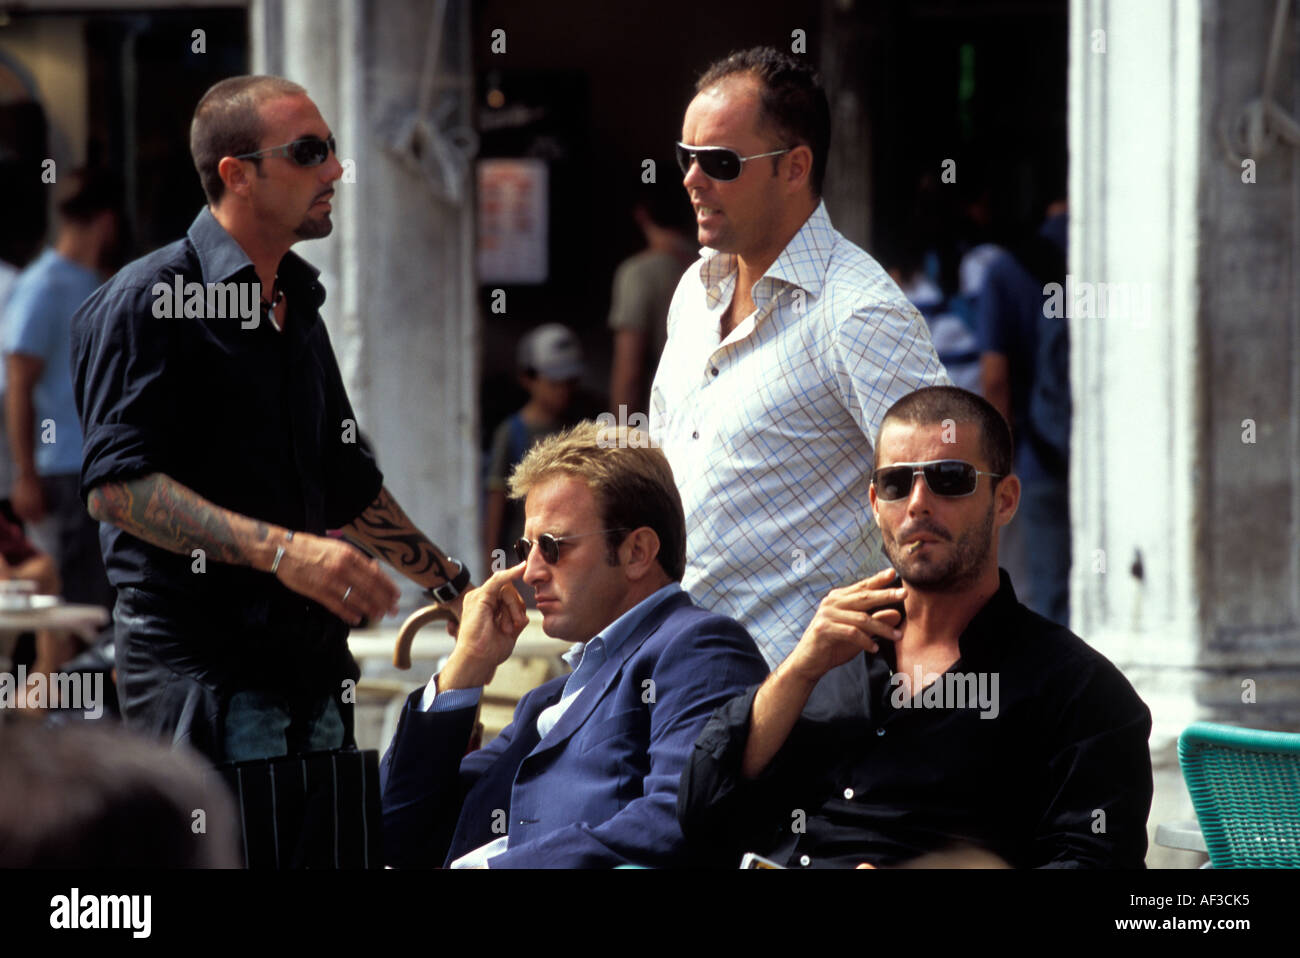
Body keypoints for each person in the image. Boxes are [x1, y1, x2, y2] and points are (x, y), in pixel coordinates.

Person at [71, 75, 476, 764]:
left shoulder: (297, 300)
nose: (335, 170)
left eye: (332, 149)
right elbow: (117, 491)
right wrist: (285, 552)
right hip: (206, 683)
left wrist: (451, 585)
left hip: (312, 677)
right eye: (309, 151)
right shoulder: (148, 300)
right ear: (239, 176)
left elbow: (346, 481)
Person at [679, 386, 1153, 869]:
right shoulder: (826, 655)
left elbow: (1096, 862)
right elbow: (702, 815)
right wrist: (798, 670)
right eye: (896, 483)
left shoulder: (1080, 692)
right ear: (874, 502)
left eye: (950, 479)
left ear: (1005, 499)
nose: (918, 503)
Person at [650, 47, 949, 668]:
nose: (691, 179)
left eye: (720, 162)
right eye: (686, 158)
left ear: (795, 167)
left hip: (792, 696)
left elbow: (948, 501)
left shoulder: (860, 313)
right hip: (669, 669)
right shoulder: (694, 291)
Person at [380, 420, 768, 868]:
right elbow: (395, 826)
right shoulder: (544, 702)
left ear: (637, 552)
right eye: (526, 548)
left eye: (552, 545)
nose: (530, 572)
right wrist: (466, 667)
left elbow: (679, 817)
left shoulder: (697, 646)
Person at [4, 169, 122, 613]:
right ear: (107, 222)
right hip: (64, 470)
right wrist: (26, 473)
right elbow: (19, 384)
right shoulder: (43, 288)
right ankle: (62, 684)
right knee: (75, 604)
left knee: (103, 601)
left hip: (104, 467)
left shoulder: (101, 283)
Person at [978, 200, 1071, 626]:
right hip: (1112, 457)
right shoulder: (1116, 254)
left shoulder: (1006, 270)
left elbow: (995, 380)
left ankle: (1065, 690)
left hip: (1040, 454)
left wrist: (1000, 465)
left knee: (1049, 592)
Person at [483, 323, 584, 580]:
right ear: (528, 378)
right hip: (524, 561)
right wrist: (491, 567)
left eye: (569, 382)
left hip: (569, 561)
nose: (563, 390)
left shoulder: (578, 430)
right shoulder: (511, 433)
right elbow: (496, 505)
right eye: (554, 382)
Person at [607, 185, 696, 417]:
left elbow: (629, 374)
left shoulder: (638, 273)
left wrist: (619, 441)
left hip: (656, 425)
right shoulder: (712, 265)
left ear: (641, 214)